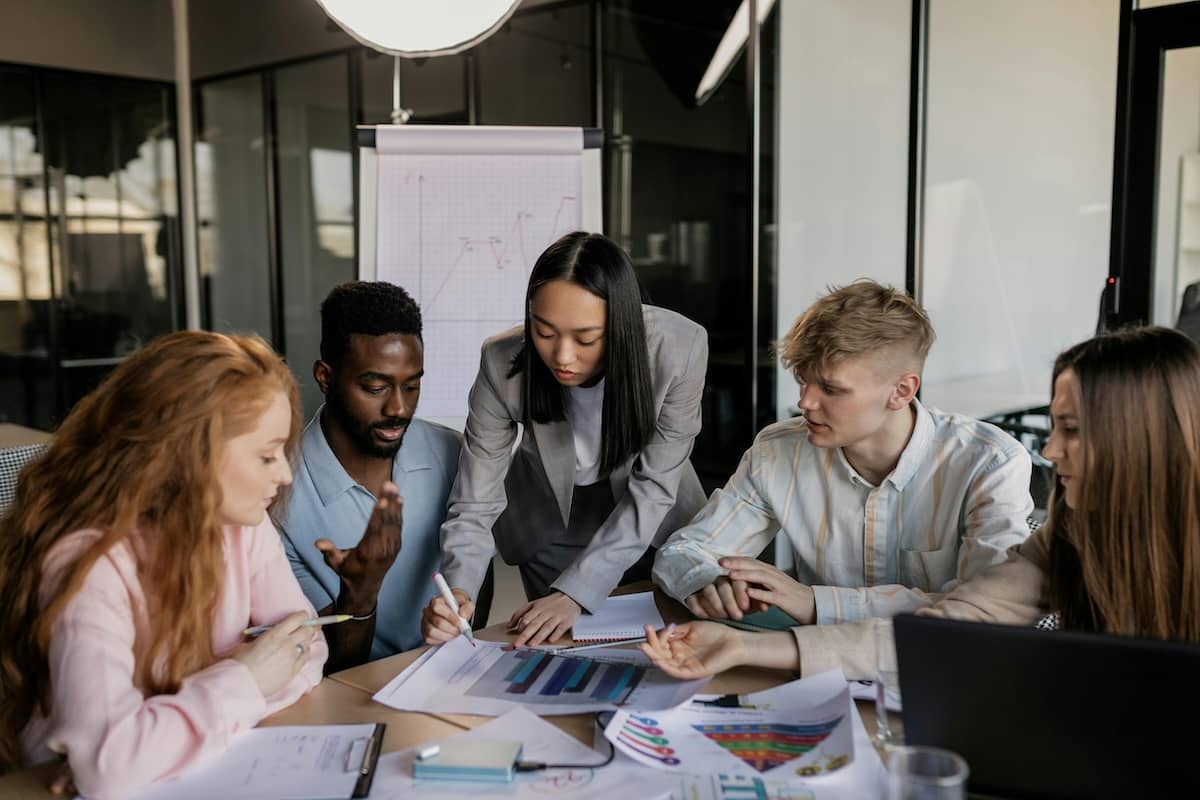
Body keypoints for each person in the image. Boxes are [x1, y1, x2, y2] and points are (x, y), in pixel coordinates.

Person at [640, 325, 1200, 680]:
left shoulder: (990, 461)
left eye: (1072, 430)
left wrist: (814, 602)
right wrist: (741, 648)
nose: (1051, 451)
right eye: (1055, 426)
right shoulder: (1069, 533)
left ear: (1140, 436)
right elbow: (951, 630)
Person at [0, 331, 327, 798]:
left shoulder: (242, 526)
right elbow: (109, 768)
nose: (286, 474)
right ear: (188, 456)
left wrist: (158, 733)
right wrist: (247, 678)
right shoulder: (88, 560)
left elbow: (307, 647)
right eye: (265, 455)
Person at [653, 280, 1033, 626]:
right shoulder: (778, 452)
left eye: (831, 390)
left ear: (901, 390)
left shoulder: (990, 464)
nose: (805, 402)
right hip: (814, 672)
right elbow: (685, 550)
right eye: (803, 381)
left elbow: (986, 614)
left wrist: (816, 603)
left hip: (941, 674)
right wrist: (708, 580)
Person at [422, 231, 709, 647]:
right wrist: (458, 591)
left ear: (621, 325)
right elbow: (474, 498)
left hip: (651, 519)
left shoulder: (678, 348)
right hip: (550, 523)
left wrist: (578, 590)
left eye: (586, 338)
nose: (563, 356)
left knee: (659, 648)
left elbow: (653, 489)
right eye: (544, 332)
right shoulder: (501, 360)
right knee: (562, 651)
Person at [279, 281, 462, 669]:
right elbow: (329, 664)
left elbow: (474, 576)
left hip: (449, 675)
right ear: (325, 378)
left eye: (412, 386)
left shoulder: (454, 453)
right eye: (375, 387)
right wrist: (360, 594)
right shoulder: (278, 491)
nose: (398, 408)